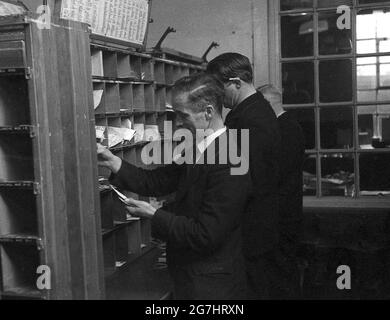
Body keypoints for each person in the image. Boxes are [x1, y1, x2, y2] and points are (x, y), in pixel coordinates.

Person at [97, 73, 250, 300]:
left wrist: (154, 214)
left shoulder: (232, 158)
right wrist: (112, 161)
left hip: (212, 282)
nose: (177, 122)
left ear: (208, 112)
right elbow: (157, 181)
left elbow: (206, 234)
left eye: (182, 115)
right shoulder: (200, 146)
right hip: (191, 274)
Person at [207, 53, 281, 299]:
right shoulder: (254, 110)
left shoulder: (249, 120)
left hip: (252, 228)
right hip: (259, 224)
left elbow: (243, 180)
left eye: (219, 88)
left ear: (237, 83)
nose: (217, 95)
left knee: (253, 291)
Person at [258, 84, 305, 299]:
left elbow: (277, 172)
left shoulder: (284, 128)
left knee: (282, 272)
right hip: (285, 210)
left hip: (282, 213)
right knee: (281, 271)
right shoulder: (288, 125)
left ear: (267, 104)